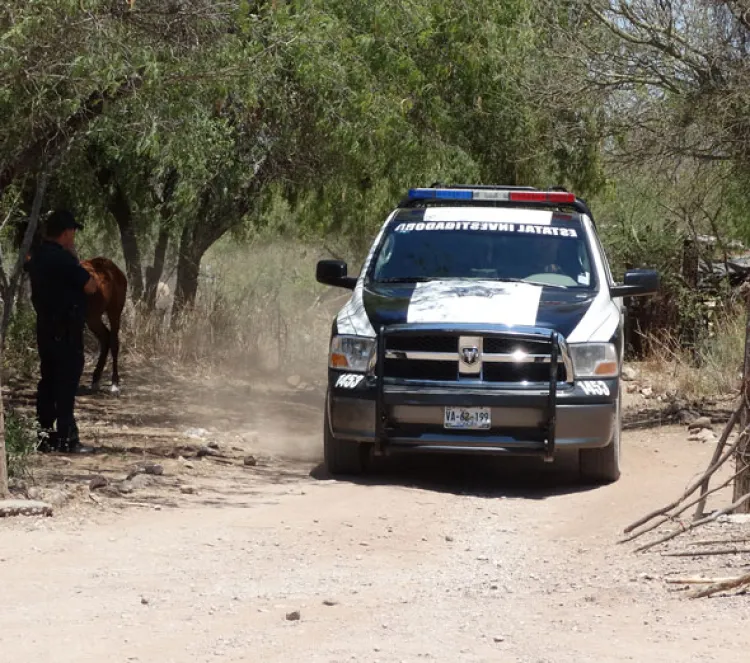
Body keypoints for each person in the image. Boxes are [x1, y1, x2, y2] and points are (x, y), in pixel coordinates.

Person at [25, 209, 98, 454]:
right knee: (66, 384)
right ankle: (67, 439)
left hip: (45, 329)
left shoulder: (36, 256)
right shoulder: (64, 259)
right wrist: (75, 259)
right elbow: (90, 286)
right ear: (66, 233)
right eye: (73, 231)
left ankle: (44, 437)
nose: (74, 236)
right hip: (66, 332)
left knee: (48, 382)